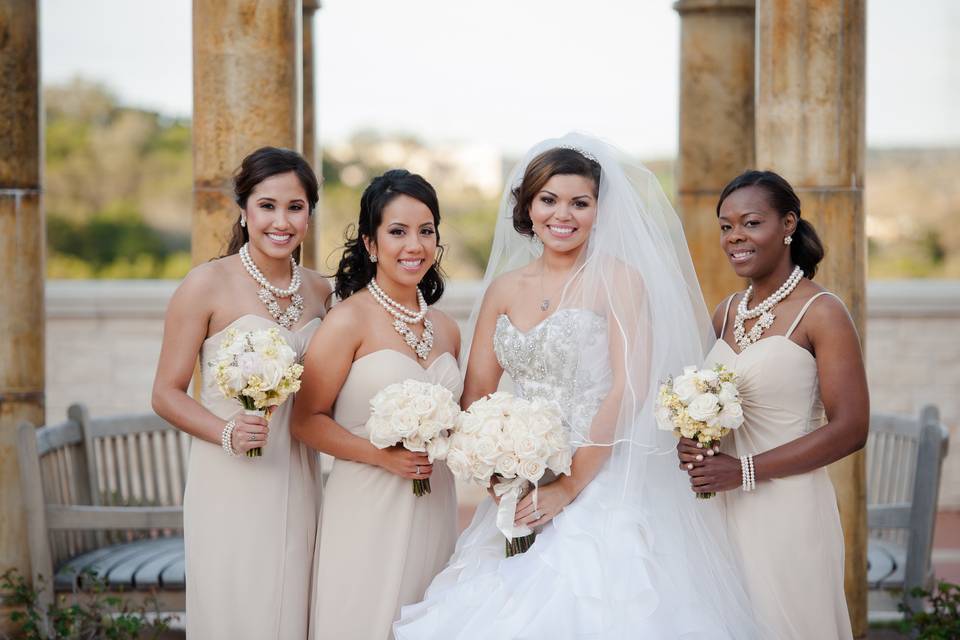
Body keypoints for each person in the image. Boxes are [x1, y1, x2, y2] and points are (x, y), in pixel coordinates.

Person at [395, 134, 763, 639]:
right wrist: (500, 473)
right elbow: (478, 394)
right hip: (520, 480)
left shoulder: (621, 280)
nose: (562, 214)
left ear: (598, 211)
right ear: (527, 206)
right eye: (548, 199)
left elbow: (629, 390)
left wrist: (568, 487)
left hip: (604, 473)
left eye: (579, 202)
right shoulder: (504, 289)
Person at [678, 170, 868, 639]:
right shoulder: (725, 312)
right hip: (718, 508)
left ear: (787, 224)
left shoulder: (822, 312)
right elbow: (704, 400)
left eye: (751, 222)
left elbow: (851, 428)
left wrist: (742, 470)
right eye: (726, 226)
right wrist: (691, 439)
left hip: (787, 507)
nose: (735, 237)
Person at [151, 147, 329, 639]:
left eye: (295, 207)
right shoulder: (205, 285)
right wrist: (226, 430)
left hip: (298, 472)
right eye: (267, 206)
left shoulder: (322, 292)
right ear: (244, 209)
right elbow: (165, 393)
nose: (281, 221)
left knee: (293, 604)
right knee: (236, 606)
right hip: (229, 476)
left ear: (309, 213)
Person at [291, 170, 461, 640]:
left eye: (426, 231)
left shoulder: (447, 329)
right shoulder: (348, 321)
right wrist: (382, 456)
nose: (415, 245)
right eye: (398, 231)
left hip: (434, 502)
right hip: (368, 503)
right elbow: (306, 421)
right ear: (370, 243)